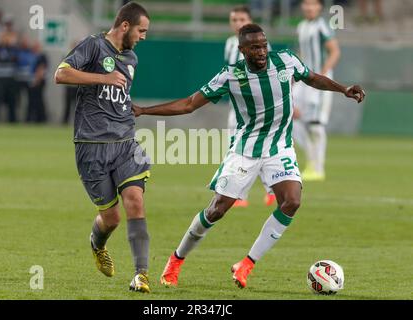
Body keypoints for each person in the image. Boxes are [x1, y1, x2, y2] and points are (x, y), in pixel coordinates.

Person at [133, 24, 365, 289]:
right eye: (255, 47)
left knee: (292, 201)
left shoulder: (286, 60)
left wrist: (343, 89)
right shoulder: (231, 76)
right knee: (216, 210)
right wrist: (144, 111)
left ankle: (246, 264)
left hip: (279, 147)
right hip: (245, 151)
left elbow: (311, 77)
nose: (262, 51)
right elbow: (188, 104)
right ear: (242, 50)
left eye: (264, 45)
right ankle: (175, 261)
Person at [54, 2, 152, 293]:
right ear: (125, 26)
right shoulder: (93, 46)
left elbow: (116, 93)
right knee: (112, 218)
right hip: (91, 145)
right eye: (141, 30)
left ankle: (141, 274)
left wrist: (126, 106)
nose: (143, 37)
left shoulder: (131, 57)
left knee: (135, 199)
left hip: (124, 141)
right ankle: (97, 244)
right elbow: (61, 74)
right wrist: (102, 77)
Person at [225, 5, 276, 208]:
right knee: (235, 151)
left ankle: (271, 191)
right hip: (236, 109)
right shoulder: (230, 44)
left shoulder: (261, 45)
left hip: (258, 110)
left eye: (242, 19)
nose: (238, 23)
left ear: (250, 21)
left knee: (260, 150)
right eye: (234, 20)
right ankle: (239, 195)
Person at [292, 0, 341, 181]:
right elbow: (301, 53)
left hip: (319, 81)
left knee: (315, 124)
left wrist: (323, 73)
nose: (309, 7)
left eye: (313, 4)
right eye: (306, 4)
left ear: (319, 7)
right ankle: (311, 159)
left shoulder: (323, 26)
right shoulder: (301, 26)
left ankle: (318, 168)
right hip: (304, 79)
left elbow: (334, 51)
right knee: (290, 116)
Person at [0, 32, 18, 122]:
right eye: (4, 38)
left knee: (12, 100)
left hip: (10, 78)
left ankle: (12, 120)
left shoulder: (13, 49)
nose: (6, 40)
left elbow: (15, 59)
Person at [27, 40, 48, 123]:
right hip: (33, 80)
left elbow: (41, 69)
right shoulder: (33, 56)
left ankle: (41, 118)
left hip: (38, 81)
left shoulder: (42, 56)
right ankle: (34, 118)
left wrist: (36, 81)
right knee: (33, 100)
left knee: (38, 100)